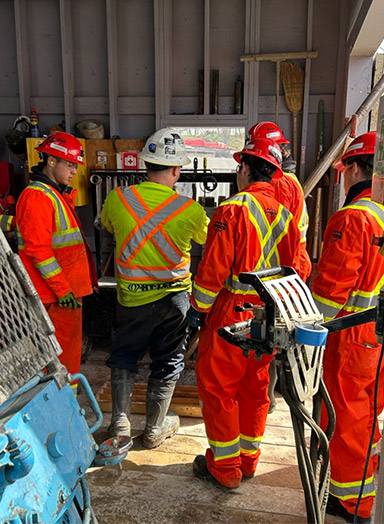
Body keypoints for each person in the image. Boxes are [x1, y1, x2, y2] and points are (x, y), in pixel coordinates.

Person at [188, 137, 301, 489]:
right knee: (255, 389)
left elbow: (213, 270)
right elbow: (300, 267)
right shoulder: (285, 214)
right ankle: (249, 461)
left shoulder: (233, 209)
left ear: (245, 168)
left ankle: (225, 470)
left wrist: (198, 310)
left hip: (231, 314)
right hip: (270, 317)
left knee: (219, 389)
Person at [101, 128, 209, 449]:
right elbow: (207, 239)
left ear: (145, 164)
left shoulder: (117, 199)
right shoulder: (189, 210)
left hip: (131, 297)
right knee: (168, 359)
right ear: (177, 170)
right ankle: (154, 428)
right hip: (174, 300)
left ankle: (119, 423)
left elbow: (109, 224)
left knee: (124, 355)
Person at [312, 131, 384, 524]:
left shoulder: (354, 218)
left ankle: (351, 503)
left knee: (348, 416)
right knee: (369, 415)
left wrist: (306, 329)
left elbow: (330, 291)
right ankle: (361, 488)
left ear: (354, 167)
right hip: (378, 338)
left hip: (352, 337)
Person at [16, 131, 98, 393]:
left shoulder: (55, 194)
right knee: (57, 363)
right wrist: (63, 290)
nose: (74, 171)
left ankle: (66, 409)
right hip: (55, 297)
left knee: (67, 360)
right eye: (70, 164)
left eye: (76, 165)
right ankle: (60, 413)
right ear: (51, 161)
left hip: (65, 294)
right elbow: (39, 251)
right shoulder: (38, 196)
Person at [247, 121, 312, 412]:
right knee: (275, 338)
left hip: (265, 272)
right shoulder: (293, 183)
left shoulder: (272, 184)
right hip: (290, 270)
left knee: (263, 338)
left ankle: (264, 397)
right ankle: (272, 396)